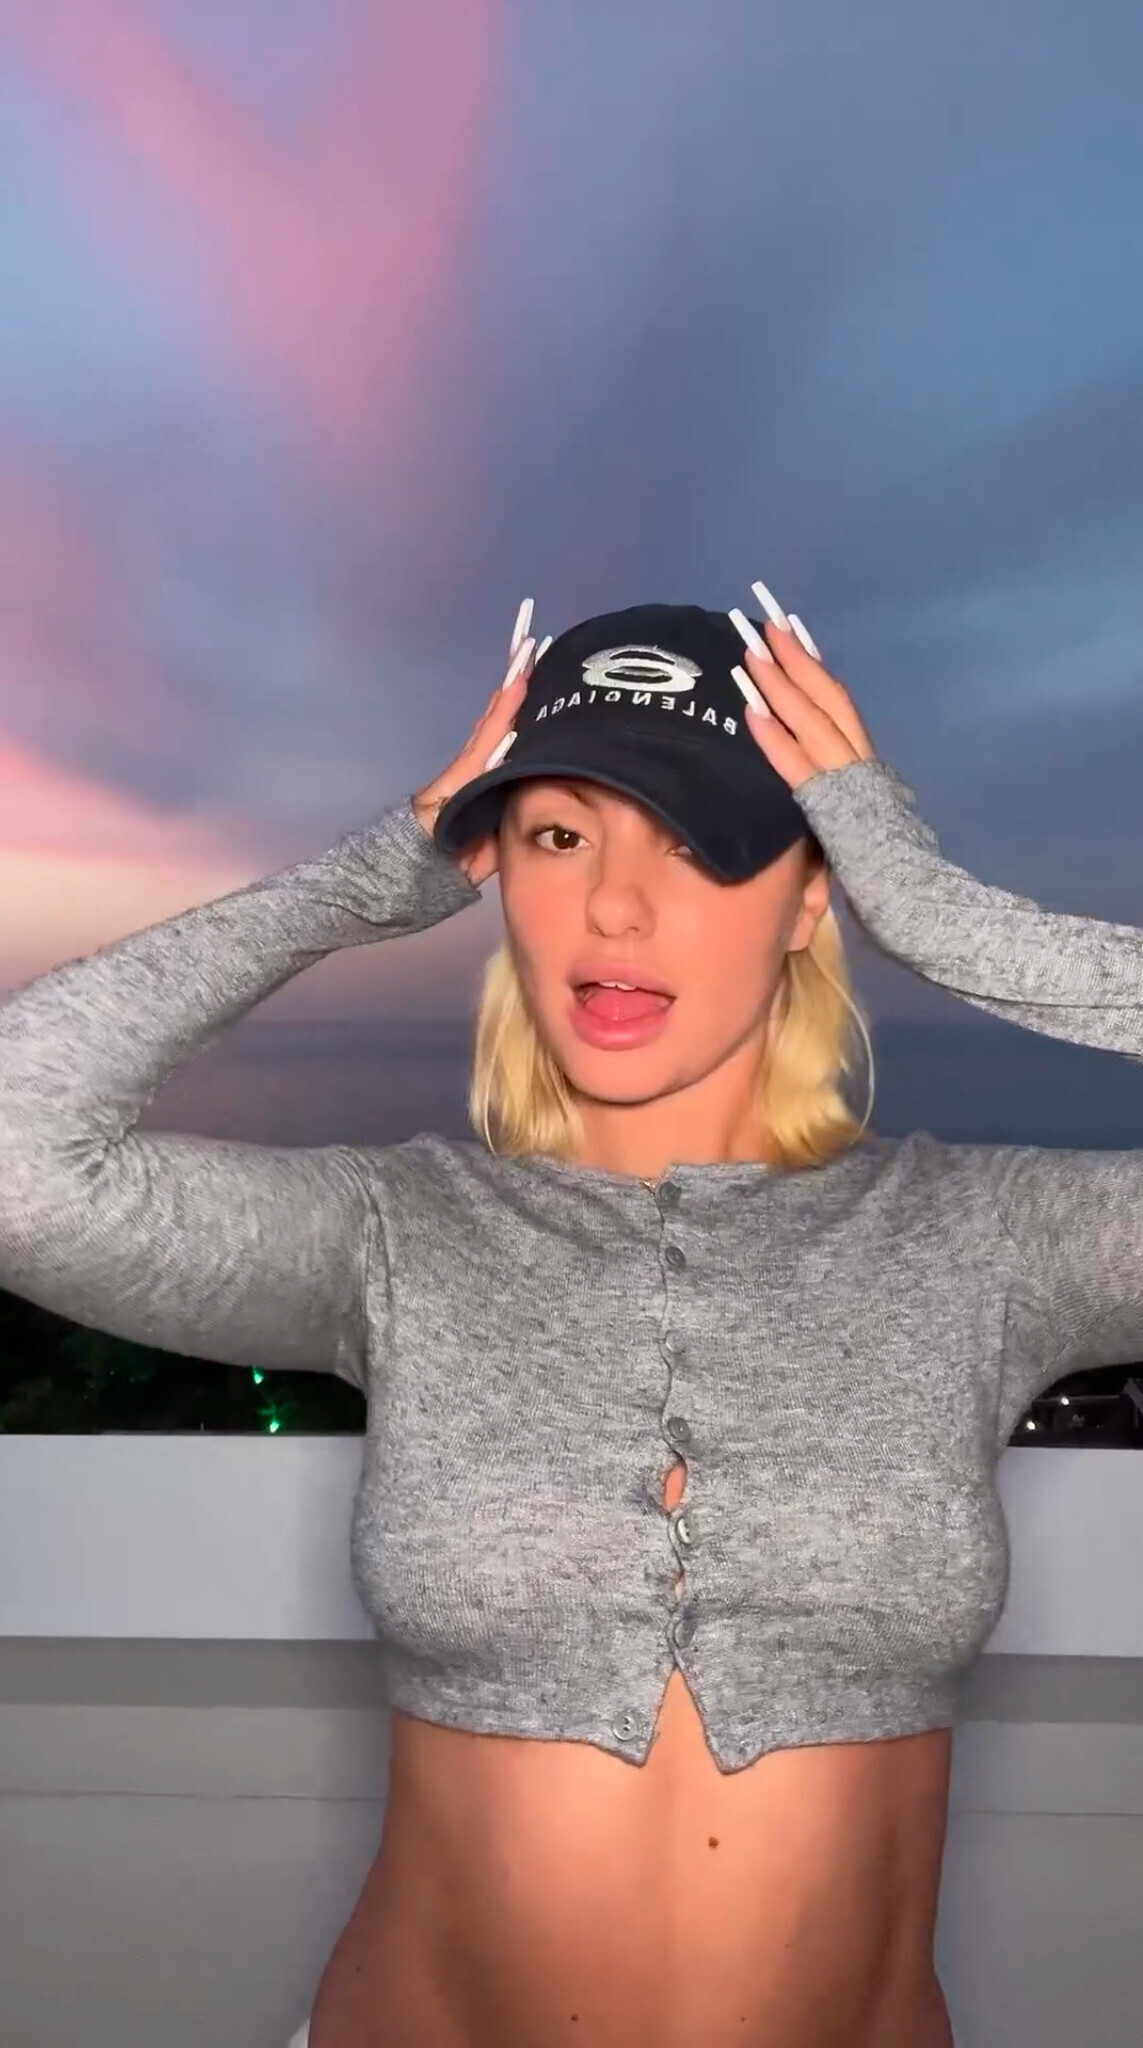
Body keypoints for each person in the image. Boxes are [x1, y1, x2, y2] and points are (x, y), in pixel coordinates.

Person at [5, 584, 1142, 2048]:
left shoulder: (988, 1237)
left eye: (700, 843)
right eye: (559, 836)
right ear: (491, 869)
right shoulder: (391, 1232)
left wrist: (948, 918)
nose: (614, 905)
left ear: (813, 896)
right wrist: (359, 884)